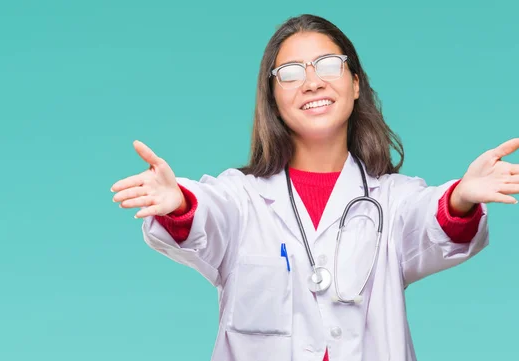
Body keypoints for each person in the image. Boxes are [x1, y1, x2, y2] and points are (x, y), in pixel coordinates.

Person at [110, 14, 519, 361]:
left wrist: (461, 197)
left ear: (355, 84)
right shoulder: (243, 198)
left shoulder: (392, 200)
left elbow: (429, 221)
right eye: (290, 74)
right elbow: (208, 216)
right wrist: (178, 203)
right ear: (272, 98)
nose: (311, 83)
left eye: (327, 65)